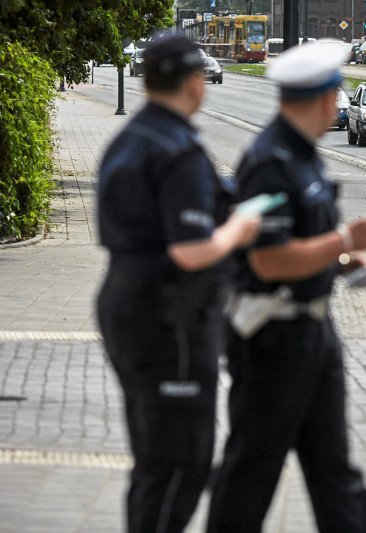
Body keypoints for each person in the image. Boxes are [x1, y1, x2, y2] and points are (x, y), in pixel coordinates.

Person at [206, 42, 366, 532]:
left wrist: (346, 259)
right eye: (338, 97)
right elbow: (268, 260)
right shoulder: (271, 161)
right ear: (326, 99)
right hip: (274, 340)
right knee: (250, 472)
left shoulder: (302, 155)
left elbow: (307, 242)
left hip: (312, 333)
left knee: (334, 471)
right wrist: (345, 239)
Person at [96, 34, 261, 532]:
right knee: (179, 462)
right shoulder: (179, 149)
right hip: (172, 320)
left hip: (127, 304)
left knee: (153, 460)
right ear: (194, 83)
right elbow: (191, 250)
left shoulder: (129, 139)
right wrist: (239, 229)